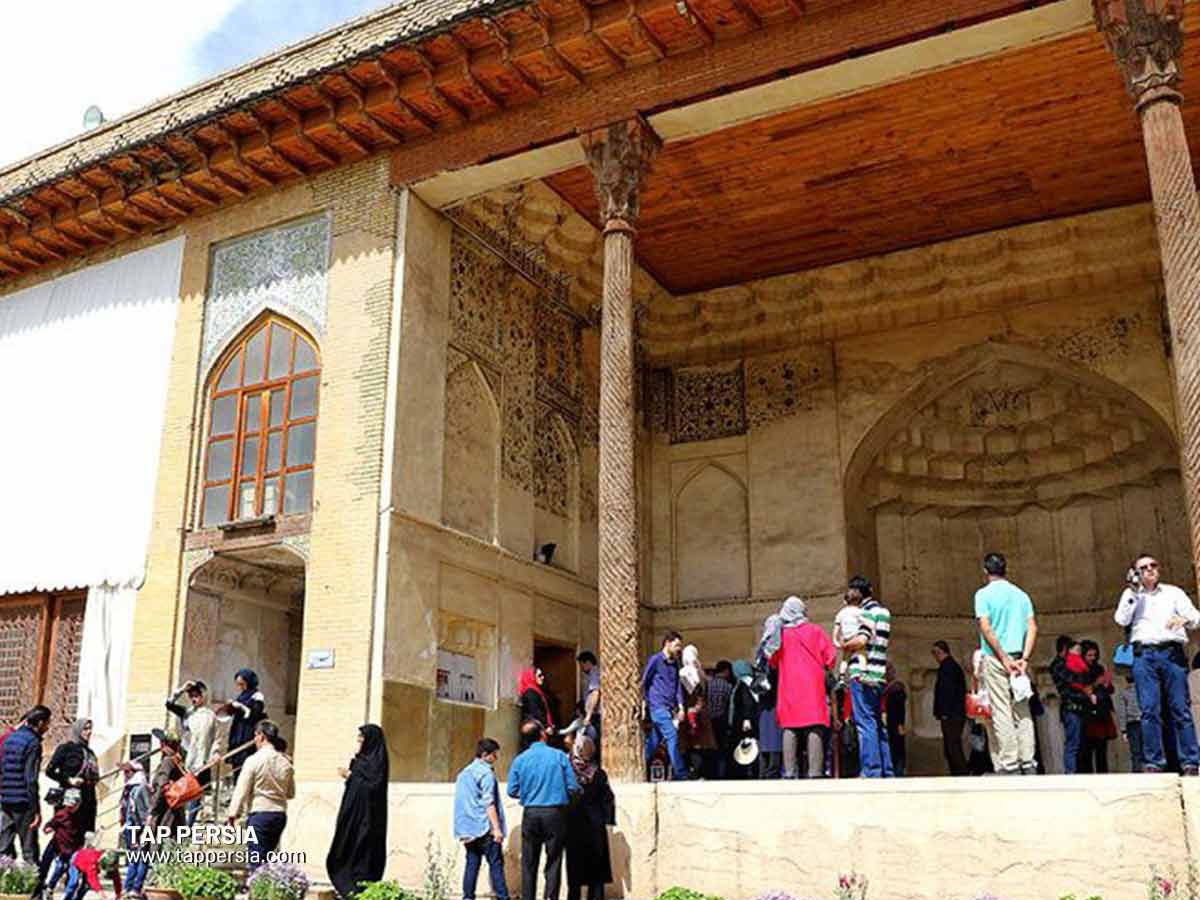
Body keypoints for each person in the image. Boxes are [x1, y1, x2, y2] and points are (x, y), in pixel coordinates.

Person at [1116, 554, 1200, 774]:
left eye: (1154, 565)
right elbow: (1121, 619)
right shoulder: (1131, 595)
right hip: (1145, 655)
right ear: (1136, 573)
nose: (1150, 569)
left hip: (1171, 653)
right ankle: (1154, 762)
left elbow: (1196, 617)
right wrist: (1133, 592)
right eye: (1143, 567)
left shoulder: (1174, 593)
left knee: (1180, 708)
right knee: (1149, 710)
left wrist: (1185, 620)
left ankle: (1190, 761)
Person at [973, 552, 1038, 775]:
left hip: (996, 658)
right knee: (1022, 709)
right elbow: (1032, 627)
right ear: (1005, 568)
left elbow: (985, 627)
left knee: (1001, 710)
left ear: (985, 571)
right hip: (1019, 657)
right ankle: (1028, 761)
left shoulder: (983, 595)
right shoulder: (1021, 595)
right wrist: (1024, 659)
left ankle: (1009, 763)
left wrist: (1003, 657)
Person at [765, 596, 835, 779]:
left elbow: (772, 660)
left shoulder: (781, 634)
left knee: (790, 727)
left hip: (789, 687)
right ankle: (815, 772)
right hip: (812, 686)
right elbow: (831, 657)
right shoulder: (815, 630)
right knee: (815, 726)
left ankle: (789, 772)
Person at [507, 723, 579, 900]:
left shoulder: (520, 760)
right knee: (553, 861)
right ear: (542, 735)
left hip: (531, 813)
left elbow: (511, 790)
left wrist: (529, 792)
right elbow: (572, 786)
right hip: (555, 813)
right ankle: (550, 897)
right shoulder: (559, 756)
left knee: (529, 862)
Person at [839, 576, 893, 778]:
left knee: (865, 723)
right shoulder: (884, 612)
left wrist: (844, 645)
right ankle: (886, 769)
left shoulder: (866, 613)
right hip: (879, 672)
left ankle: (871, 770)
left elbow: (862, 640)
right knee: (878, 723)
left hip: (863, 673)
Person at [327, 725, 390, 899]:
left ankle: (361, 888)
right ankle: (349, 888)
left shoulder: (377, 763)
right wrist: (352, 776)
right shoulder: (360, 761)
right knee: (347, 846)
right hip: (353, 815)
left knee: (364, 850)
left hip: (369, 817)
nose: (359, 742)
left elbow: (372, 788)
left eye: (362, 739)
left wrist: (350, 776)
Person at [226, 720, 295, 871]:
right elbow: (290, 793)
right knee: (269, 860)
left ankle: (257, 891)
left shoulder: (253, 760)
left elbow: (241, 789)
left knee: (256, 859)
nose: (254, 740)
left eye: (255, 735)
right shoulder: (285, 763)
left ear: (261, 736)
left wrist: (233, 813)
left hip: (260, 813)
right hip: (279, 814)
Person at [453, 738, 508, 900]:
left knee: (472, 864)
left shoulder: (464, 773)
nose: (496, 758)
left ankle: (467, 897)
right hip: (485, 826)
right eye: (494, 755)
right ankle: (502, 897)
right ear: (485, 755)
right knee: (496, 865)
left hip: (468, 828)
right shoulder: (486, 773)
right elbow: (488, 802)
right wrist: (496, 829)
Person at [165, 680, 223, 826]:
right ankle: (178, 826)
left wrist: (215, 753)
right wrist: (182, 689)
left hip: (202, 760)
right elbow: (169, 704)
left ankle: (187, 827)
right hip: (186, 757)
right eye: (191, 696)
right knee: (182, 791)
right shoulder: (187, 713)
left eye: (197, 695)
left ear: (204, 696)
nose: (193, 699)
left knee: (195, 793)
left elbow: (217, 737)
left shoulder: (211, 716)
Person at [564, 735, 614, 900]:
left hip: (573, 824)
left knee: (575, 866)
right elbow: (608, 798)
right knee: (597, 867)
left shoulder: (568, 773)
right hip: (595, 825)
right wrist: (608, 820)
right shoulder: (599, 773)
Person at [0, 705, 50, 863]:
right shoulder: (33, 743)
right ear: (40, 722)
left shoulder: (9, 739)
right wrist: (36, 809)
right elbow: (31, 779)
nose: (48, 727)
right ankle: (33, 884)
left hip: (6, 799)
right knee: (29, 849)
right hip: (23, 802)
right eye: (47, 723)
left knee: (4, 846)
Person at [641, 632, 687, 781]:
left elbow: (677, 686)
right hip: (657, 707)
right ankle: (680, 773)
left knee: (654, 741)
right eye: (677, 645)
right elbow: (645, 681)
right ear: (667, 643)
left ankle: (641, 767)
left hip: (669, 708)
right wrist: (645, 702)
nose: (679, 648)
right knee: (672, 736)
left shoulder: (675, 663)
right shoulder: (655, 660)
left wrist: (680, 706)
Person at [46, 720, 100, 835]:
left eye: (90, 729)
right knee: (67, 835)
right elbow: (50, 771)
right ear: (77, 730)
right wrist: (68, 779)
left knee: (86, 835)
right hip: (70, 799)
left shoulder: (90, 752)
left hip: (88, 799)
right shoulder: (65, 749)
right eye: (85, 729)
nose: (89, 732)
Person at [30, 787, 83, 900]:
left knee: (74, 879)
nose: (71, 808)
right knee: (58, 868)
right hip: (61, 849)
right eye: (69, 805)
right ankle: (49, 888)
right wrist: (47, 829)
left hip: (74, 849)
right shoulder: (61, 815)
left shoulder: (80, 816)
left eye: (73, 805)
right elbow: (50, 824)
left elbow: (80, 833)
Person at [1049, 635, 1089, 774]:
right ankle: (1070, 773)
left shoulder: (1069, 662)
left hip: (1079, 706)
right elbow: (1074, 678)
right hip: (1070, 706)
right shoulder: (1059, 664)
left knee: (1080, 743)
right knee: (1072, 743)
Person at [1078, 640, 1115, 774]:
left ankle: (1103, 773)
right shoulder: (1081, 670)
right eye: (1089, 655)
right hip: (1088, 712)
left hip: (1102, 710)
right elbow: (1082, 689)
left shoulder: (1099, 668)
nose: (1092, 658)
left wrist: (1106, 684)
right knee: (1087, 747)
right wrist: (1095, 683)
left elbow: (1110, 690)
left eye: (1094, 655)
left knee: (1102, 747)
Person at [932, 641, 968, 775]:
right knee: (951, 745)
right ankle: (958, 772)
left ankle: (960, 772)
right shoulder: (951, 666)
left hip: (951, 714)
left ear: (940, 651)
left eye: (934, 652)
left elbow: (947, 692)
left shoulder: (948, 667)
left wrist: (944, 712)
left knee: (952, 745)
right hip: (954, 713)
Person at [679, 645, 715, 779]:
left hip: (690, 712)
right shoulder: (700, 672)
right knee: (700, 744)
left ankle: (693, 772)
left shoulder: (685, 672)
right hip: (701, 712)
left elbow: (687, 693)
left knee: (691, 744)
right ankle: (700, 773)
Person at [118, 762, 151, 900]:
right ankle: (132, 887)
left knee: (139, 858)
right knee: (139, 858)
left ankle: (131, 887)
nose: (124, 775)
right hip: (133, 827)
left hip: (137, 827)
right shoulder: (130, 789)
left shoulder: (138, 789)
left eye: (127, 772)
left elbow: (143, 811)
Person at [224, 669, 266, 773]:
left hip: (248, 731)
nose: (240, 687)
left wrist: (242, 707)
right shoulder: (241, 696)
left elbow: (255, 713)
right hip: (238, 731)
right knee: (236, 763)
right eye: (238, 684)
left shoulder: (257, 695)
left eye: (242, 684)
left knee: (246, 763)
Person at [147, 731, 186, 838]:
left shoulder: (167, 761)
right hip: (175, 812)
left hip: (165, 813)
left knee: (159, 847)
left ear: (163, 744)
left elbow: (162, 787)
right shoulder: (177, 760)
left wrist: (152, 812)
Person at [727, 661, 759, 779]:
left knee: (746, 746)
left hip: (744, 723)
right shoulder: (752, 682)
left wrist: (746, 718)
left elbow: (747, 702)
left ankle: (746, 772)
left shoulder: (744, 684)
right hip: (749, 721)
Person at [706, 661, 734, 779]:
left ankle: (709, 773)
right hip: (721, 720)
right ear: (726, 671)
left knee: (709, 749)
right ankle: (721, 775)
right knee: (722, 750)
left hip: (708, 721)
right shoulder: (728, 686)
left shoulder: (708, 684)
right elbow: (730, 705)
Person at [1115, 666, 1143, 772]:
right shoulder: (1145, 691)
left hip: (1132, 724)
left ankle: (1137, 772)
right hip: (1146, 721)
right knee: (1149, 749)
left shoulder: (1123, 693)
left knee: (1135, 752)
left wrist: (1123, 730)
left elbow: (1122, 713)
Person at [518, 668, 554, 752]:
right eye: (539, 675)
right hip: (533, 730)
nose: (543, 678)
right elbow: (535, 711)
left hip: (537, 727)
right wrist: (546, 726)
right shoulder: (530, 693)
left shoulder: (537, 691)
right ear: (532, 677)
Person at [883, 664, 907, 777]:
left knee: (897, 747)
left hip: (895, 723)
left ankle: (899, 771)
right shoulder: (884, 688)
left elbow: (900, 709)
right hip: (887, 722)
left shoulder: (897, 688)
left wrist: (901, 724)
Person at [577, 652, 602, 755]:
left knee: (593, 743)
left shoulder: (594, 673)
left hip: (595, 716)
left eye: (581, 665)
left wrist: (588, 716)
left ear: (587, 662)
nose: (581, 668)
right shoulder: (593, 674)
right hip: (593, 715)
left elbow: (595, 693)